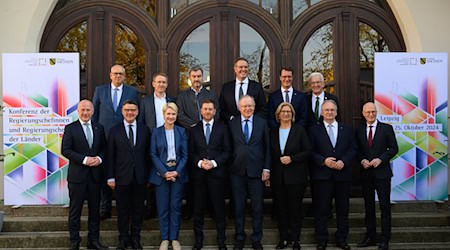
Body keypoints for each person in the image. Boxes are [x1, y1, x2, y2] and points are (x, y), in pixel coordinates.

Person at [92, 64, 140, 220]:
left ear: (124, 76)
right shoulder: (100, 90)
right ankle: (105, 206)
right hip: (104, 138)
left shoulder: (132, 91)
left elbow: (134, 113)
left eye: (121, 74)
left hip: (124, 139)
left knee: (124, 172)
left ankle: (127, 206)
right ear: (110, 75)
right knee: (105, 172)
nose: (118, 76)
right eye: (115, 73)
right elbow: (94, 115)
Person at [308, 100, 356, 250]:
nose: (329, 112)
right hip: (322, 176)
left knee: (343, 209)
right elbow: (309, 151)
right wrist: (323, 161)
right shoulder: (313, 130)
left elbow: (353, 149)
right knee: (321, 209)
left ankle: (342, 239)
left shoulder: (347, 129)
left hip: (342, 175)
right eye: (326, 110)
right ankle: (322, 240)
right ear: (321, 112)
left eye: (332, 110)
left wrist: (344, 161)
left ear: (336, 112)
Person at [61, 99, 108, 250]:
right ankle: (75, 241)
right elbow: (66, 150)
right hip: (77, 177)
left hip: (95, 177)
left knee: (95, 211)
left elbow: (104, 148)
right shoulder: (70, 128)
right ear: (78, 111)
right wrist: (85, 159)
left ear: (93, 111)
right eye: (83, 110)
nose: (86, 113)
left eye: (88, 110)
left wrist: (100, 158)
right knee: (75, 211)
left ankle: (93, 241)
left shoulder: (99, 128)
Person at [176, 66, 220, 220]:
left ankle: (212, 209)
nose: (196, 79)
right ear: (189, 78)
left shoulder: (210, 94)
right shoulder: (182, 96)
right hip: (190, 138)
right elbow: (179, 115)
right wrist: (195, 126)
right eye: (193, 76)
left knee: (211, 177)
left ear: (203, 77)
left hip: (209, 140)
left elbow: (217, 112)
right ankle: (190, 209)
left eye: (199, 76)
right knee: (193, 176)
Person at [106, 99, 150, 250]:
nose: (130, 113)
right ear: (122, 112)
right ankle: (123, 239)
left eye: (133, 110)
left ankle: (136, 239)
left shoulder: (145, 130)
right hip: (121, 178)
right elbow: (110, 156)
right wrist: (110, 177)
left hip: (140, 177)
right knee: (122, 210)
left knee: (138, 210)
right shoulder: (114, 130)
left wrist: (149, 176)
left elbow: (148, 155)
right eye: (127, 110)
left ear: (137, 112)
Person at [228, 95, 271, 250]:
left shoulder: (261, 123)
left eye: (250, 106)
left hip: (257, 171)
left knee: (257, 207)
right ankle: (239, 237)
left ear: (254, 107)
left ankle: (256, 238)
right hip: (236, 171)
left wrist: (267, 168)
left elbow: (267, 148)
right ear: (239, 108)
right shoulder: (232, 123)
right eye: (244, 106)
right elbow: (228, 147)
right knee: (238, 207)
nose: (247, 109)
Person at [188, 100, 230, 250]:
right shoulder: (193, 130)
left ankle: (221, 241)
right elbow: (190, 153)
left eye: (210, 109)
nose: (207, 111)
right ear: (201, 111)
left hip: (217, 175)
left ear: (214, 111)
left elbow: (227, 151)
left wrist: (214, 163)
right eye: (205, 109)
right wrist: (200, 163)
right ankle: (198, 241)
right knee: (198, 211)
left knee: (219, 211)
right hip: (199, 176)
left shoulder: (223, 128)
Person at [355, 102, 398, 250]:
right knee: (369, 207)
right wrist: (362, 160)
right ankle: (371, 237)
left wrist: (381, 159)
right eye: (368, 112)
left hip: (382, 174)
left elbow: (394, 148)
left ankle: (385, 239)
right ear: (363, 113)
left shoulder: (387, 128)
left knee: (385, 207)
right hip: (366, 174)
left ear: (376, 112)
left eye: (373, 112)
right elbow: (357, 149)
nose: (371, 114)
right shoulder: (359, 130)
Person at [269, 102, 311, 250]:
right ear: (278, 115)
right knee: (281, 209)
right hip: (278, 177)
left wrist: (292, 158)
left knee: (295, 209)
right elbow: (269, 153)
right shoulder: (272, 131)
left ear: (292, 115)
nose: (286, 114)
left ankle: (295, 240)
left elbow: (307, 151)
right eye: (283, 111)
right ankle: (283, 239)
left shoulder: (299, 130)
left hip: (296, 177)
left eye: (289, 112)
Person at [149, 102, 188, 250]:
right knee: (163, 207)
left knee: (175, 207)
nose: (171, 116)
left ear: (176, 116)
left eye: (173, 114)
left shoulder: (181, 132)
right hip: (161, 175)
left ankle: (174, 238)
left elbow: (185, 155)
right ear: (164, 115)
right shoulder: (156, 132)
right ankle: (165, 239)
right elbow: (153, 154)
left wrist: (177, 172)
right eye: (168, 114)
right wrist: (164, 173)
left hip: (178, 174)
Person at [139, 72, 176, 219]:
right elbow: (141, 122)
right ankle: (150, 207)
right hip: (151, 141)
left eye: (164, 82)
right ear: (153, 84)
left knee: (167, 173)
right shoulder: (145, 101)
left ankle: (166, 207)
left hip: (169, 143)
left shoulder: (172, 100)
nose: (161, 85)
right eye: (158, 82)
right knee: (151, 175)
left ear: (167, 85)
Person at [219, 57, 267, 123]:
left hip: (252, 126)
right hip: (230, 127)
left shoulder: (257, 87)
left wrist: (252, 119)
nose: (243, 69)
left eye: (246, 67)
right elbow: (221, 109)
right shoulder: (226, 87)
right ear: (235, 69)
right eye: (241, 67)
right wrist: (231, 118)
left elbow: (263, 109)